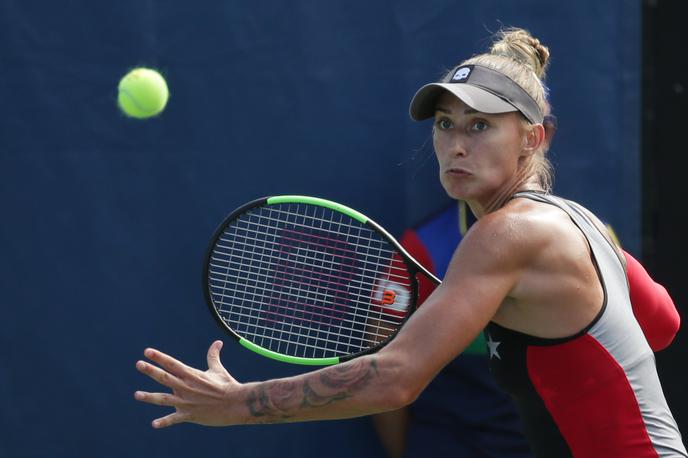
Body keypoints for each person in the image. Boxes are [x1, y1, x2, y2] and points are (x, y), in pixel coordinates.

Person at [135, 28, 686, 457]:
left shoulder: (506, 233)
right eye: (445, 124)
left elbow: (396, 379)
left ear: (533, 137)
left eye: (479, 126)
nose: (455, 145)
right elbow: (662, 324)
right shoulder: (578, 223)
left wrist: (237, 405)